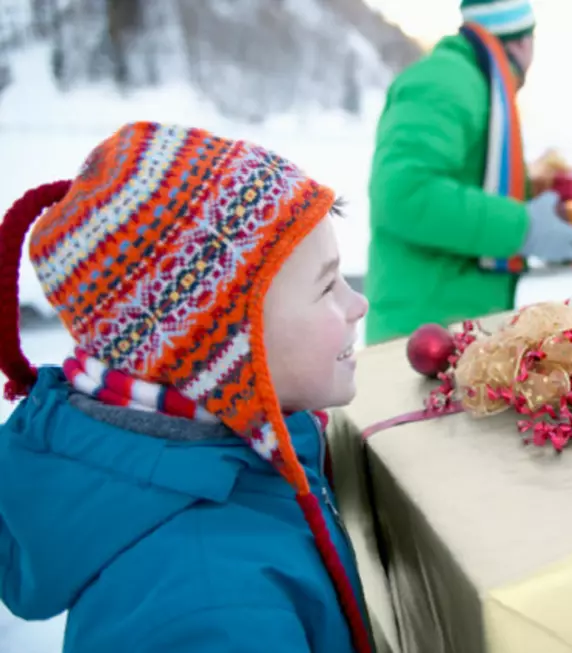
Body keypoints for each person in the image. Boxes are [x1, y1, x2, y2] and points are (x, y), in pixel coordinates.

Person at [0, 122, 374, 653]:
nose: (357, 304)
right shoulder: (211, 613)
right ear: (219, 351)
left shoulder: (236, 459)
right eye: (326, 287)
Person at [365, 0, 572, 344]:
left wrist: (547, 206)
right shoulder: (446, 82)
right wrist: (524, 227)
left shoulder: (474, 83)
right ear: (522, 42)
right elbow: (404, 194)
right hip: (420, 335)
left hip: (454, 325)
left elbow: (472, 183)